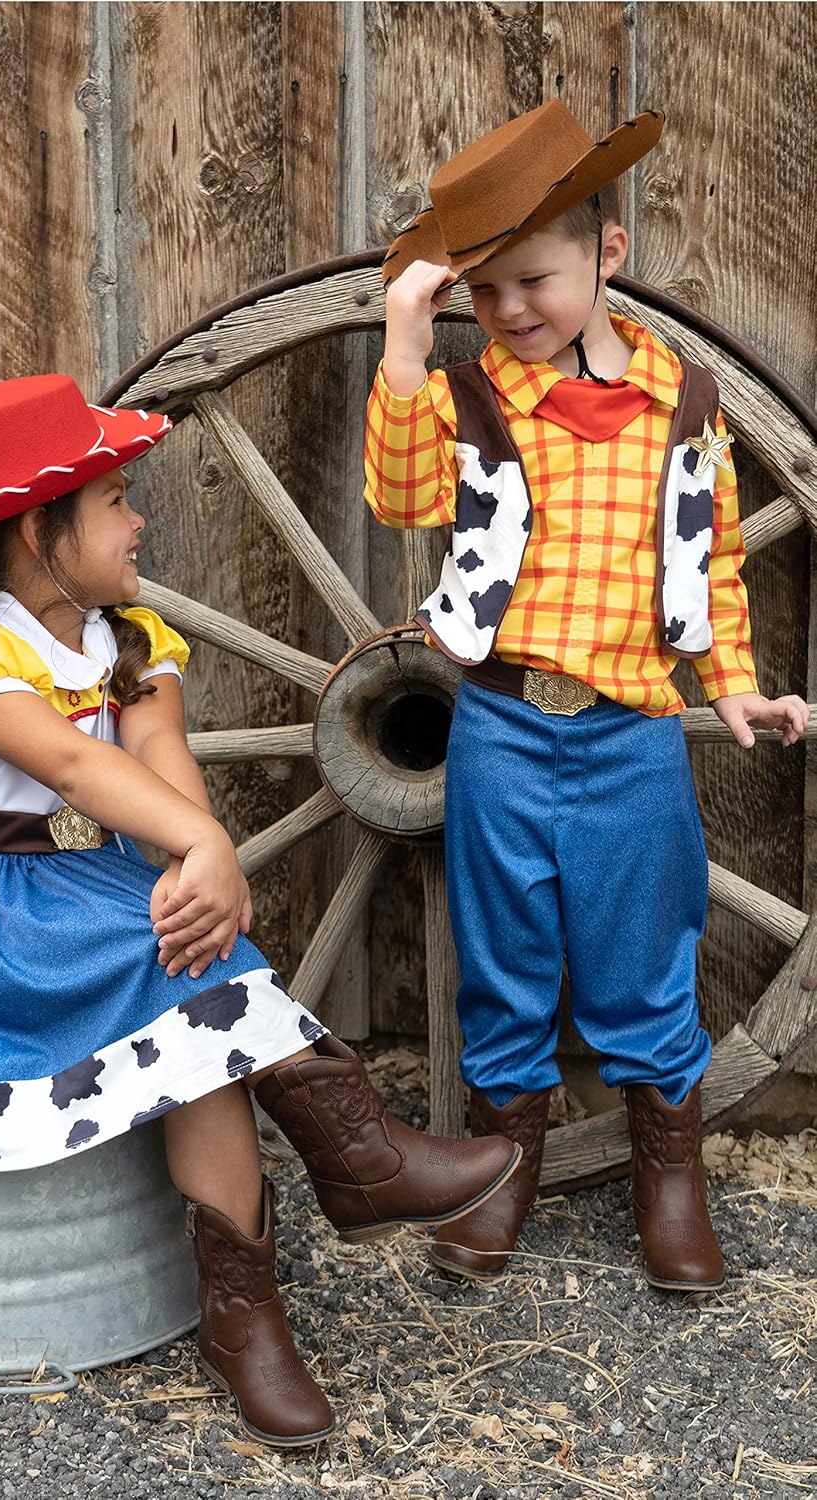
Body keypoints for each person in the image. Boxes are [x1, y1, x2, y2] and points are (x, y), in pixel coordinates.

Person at [0, 374, 520, 1446]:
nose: (137, 519)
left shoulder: (129, 639)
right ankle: (361, 1162)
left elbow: (160, 766)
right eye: (114, 500)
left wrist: (203, 867)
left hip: (88, 893)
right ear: (38, 530)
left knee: (190, 970)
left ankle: (246, 1314)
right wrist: (202, 849)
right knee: (182, 966)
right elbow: (73, 765)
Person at [364, 101, 809, 1292]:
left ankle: (667, 1176)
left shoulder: (684, 401)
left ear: (605, 256)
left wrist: (732, 690)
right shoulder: (475, 396)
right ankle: (504, 1165)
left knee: (640, 950)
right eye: (485, 292)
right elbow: (402, 499)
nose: (510, 311)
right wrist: (407, 344)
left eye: (534, 281)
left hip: (631, 736)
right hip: (505, 726)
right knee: (503, 951)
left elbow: (708, 555)